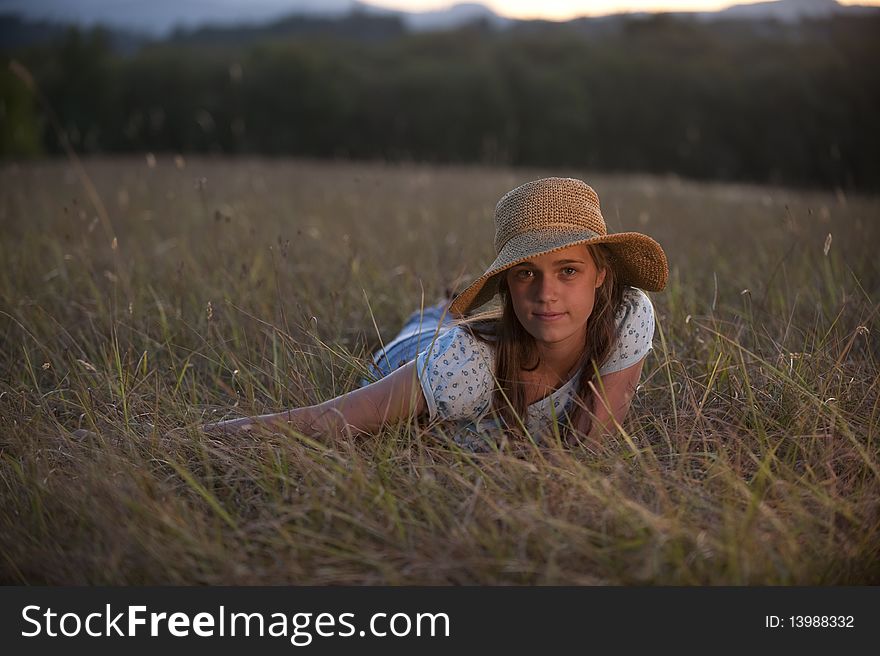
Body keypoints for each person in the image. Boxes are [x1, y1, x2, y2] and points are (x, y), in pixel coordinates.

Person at [205, 177, 668, 450]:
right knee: (427, 326)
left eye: (568, 270)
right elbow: (326, 419)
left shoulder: (627, 315)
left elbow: (591, 444)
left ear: (601, 274)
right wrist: (203, 435)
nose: (547, 293)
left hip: (466, 341)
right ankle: (438, 310)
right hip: (417, 354)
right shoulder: (463, 369)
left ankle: (446, 309)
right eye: (526, 273)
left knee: (448, 323)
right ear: (505, 282)